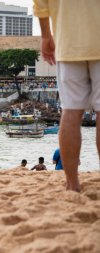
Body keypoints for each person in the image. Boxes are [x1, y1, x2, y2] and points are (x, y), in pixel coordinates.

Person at [34, 0, 100, 191]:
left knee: (70, 112)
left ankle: (72, 184)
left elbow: (40, 3)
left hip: (68, 42)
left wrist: (46, 35)